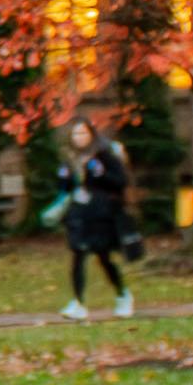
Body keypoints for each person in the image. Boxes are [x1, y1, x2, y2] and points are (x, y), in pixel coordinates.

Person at [58, 110, 135, 321]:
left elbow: (120, 181)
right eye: (75, 134)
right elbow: (64, 188)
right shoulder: (70, 158)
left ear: (91, 134)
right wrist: (64, 178)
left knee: (103, 258)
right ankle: (78, 302)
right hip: (78, 215)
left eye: (83, 133)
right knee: (78, 256)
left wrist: (100, 174)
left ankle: (122, 294)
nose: (79, 138)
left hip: (100, 215)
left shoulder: (104, 155)